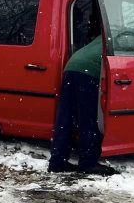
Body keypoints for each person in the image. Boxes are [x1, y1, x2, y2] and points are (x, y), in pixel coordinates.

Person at [48, 36, 114, 174]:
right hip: (89, 71)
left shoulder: (107, 33)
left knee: (65, 118)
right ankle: (88, 163)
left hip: (72, 66)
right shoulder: (129, 35)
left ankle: (57, 162)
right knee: (89, 118)